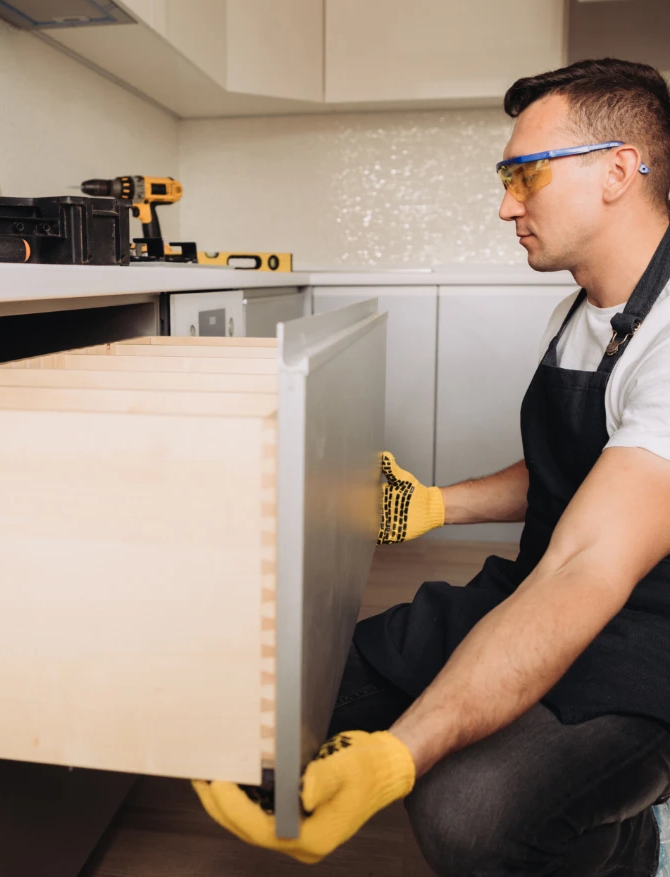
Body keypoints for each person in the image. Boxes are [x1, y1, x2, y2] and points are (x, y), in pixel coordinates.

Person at [194, 57, 670, 876]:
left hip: (649, 633)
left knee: (469, 812)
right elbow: (585, 466)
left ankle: (634, 846)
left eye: (524, 174)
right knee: (271, 708)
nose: (504, 204)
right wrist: (433, 506)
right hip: (542, 586)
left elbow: (588, 563)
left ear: (618, 171)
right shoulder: (581, 310)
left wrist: (399, 752)